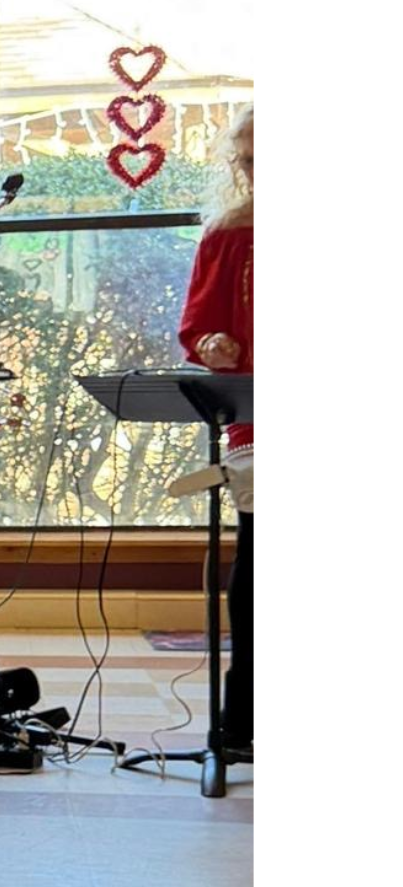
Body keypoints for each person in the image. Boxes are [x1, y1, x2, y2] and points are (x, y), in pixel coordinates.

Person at [177, 101, 253, 751]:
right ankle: (244, 721)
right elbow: (197, 325)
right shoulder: (229, 234)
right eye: (249, 162)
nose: (256, 176)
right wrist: (212, 345)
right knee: (256, 570)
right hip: (260, 424)